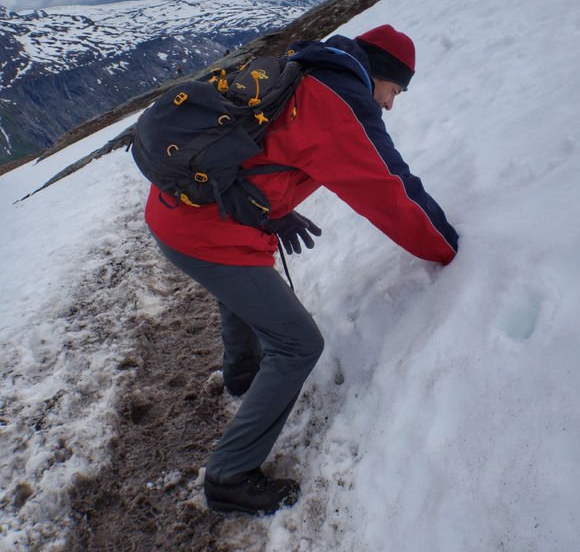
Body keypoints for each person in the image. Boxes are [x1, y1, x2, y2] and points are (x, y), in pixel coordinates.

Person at [145, 25, 459, 516]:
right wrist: (452, 252)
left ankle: (242, 375)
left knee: (242, 287)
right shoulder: (339, 104)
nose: (392, 105)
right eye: (395, 90)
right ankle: (229, 477)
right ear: (379, 74)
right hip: (206, 235)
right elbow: (393, 192)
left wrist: (271, 208)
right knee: (298, 344)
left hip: (182, 214)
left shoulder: (305, 66)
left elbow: (261, 149)